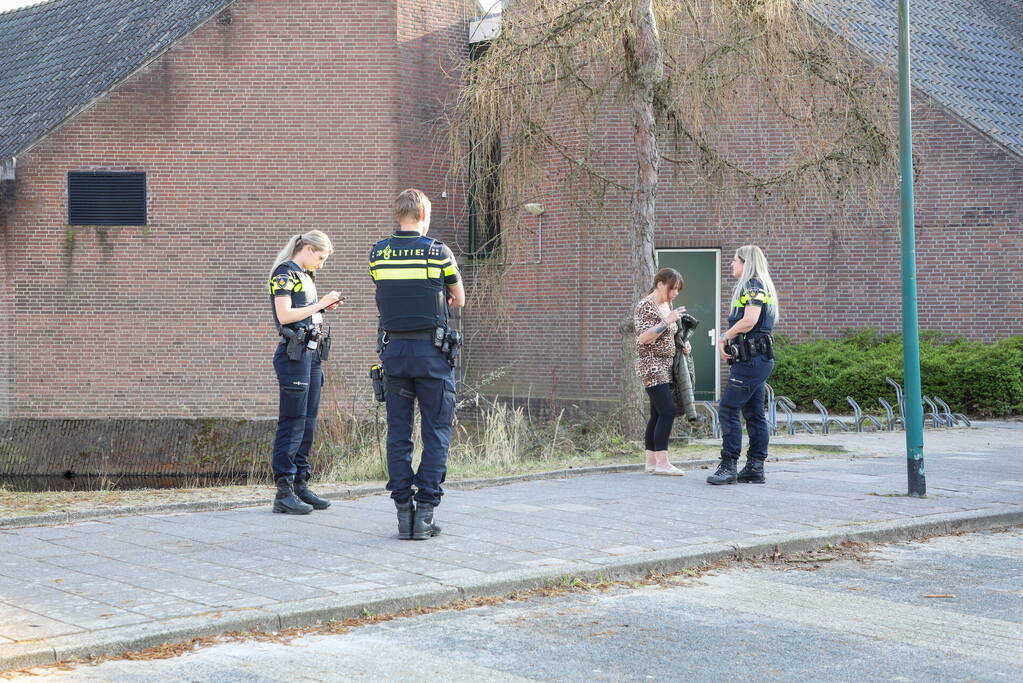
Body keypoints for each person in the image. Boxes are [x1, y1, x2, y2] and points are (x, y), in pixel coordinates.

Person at [370, 189, 465, 540]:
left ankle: (402, 513)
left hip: (394, 353)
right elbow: (459, 299)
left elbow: (385, 291)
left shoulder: (378, 253)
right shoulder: (438, 252)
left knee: (398, 433)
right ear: (423, 214)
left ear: (398, 214)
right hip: (432, 355)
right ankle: (424, 513)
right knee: (436, 431)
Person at [268, 230, 343, 514]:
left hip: (311, 356)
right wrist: (321, 302)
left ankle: (300, 484)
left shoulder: (305, 276)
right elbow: (285, 316)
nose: (321, 264)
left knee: (308, 423)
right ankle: (283, 493)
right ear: (309, 249)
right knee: (292, 423)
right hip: (294, 355)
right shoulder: (284, 274)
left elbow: (306, 312)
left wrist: (323, 309)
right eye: (321, 257)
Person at [707, 244, 779, 485]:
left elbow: (749, 321)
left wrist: (724, 337)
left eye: (735, 260)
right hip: (754, 360)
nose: (731, 264)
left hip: (751, 361)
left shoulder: (753, 285)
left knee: (728, 409)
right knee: (754, 413)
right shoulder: (758, 286)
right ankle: (755, 467)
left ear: (746, 263)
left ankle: (728, 465)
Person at [635, 268, 691, 476]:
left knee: (657, 412)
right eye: (672, 288)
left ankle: (651, 461)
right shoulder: (645, 306)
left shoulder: (667, 304)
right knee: (668, 410)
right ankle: (663, 462)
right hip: (651, 364)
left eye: (678, 289)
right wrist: (667, 321)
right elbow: (643, 338)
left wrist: (683, 344)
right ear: (659, 284)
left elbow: (670, 335)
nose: (675, 293)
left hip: (667, 364)